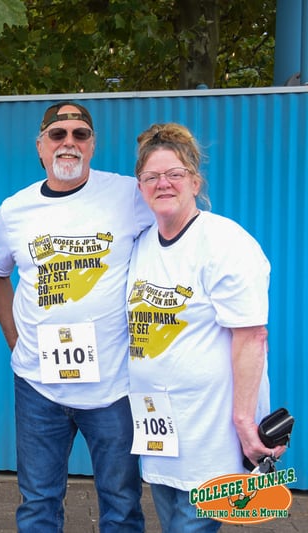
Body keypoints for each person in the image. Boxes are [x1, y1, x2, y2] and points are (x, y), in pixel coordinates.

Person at [0, 102, 151, 533]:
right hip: (38, 386)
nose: (69, 143)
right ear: (40, 146)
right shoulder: (14, 211)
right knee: (38, 504)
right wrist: (15, 339)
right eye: (58, 134)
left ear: (92, 145)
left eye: (80, 134)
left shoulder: (128, 195)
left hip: (113, 387)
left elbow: (176, 235)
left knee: (121, 505)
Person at [127, 123, 286, 532]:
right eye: (152, 176)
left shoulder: (225, 243)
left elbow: (251, 338)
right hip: (161, 432)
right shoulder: (143, 244)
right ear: (140, 186)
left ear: (195, 182)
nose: (163, 184)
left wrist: (245, 424)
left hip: (209, 433)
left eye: (175, 174)